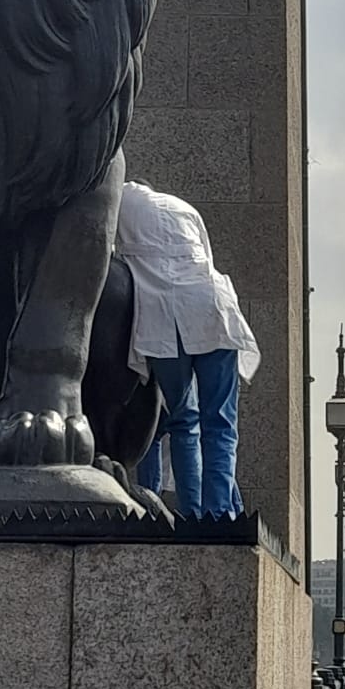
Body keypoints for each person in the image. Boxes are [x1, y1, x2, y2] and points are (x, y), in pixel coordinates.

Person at [116, 182, 260, 519]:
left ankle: (192, 514)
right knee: (220, 421)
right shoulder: (183, 207)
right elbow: (205, 259)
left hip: (162, 318)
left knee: (183, 420)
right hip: (212, 309)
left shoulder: (119, 203)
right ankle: (218, 512)